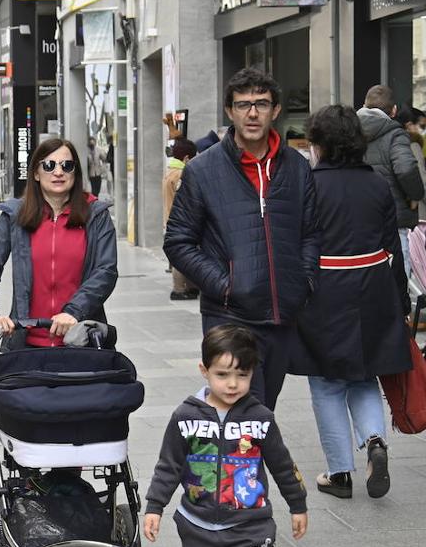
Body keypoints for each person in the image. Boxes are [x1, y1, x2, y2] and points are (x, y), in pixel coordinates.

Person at [164, 68, 318, 412]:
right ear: (229, 111)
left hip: (280, 314)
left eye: (261, 104)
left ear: (275, 110)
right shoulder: (203, 170)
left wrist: (303, 281)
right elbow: (177, 241)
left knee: (261, 413)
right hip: (228, 315)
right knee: (241, 414)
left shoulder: (296, 166)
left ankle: (242, 467)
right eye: (243, 104)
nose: (252, 113)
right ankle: (248, 469)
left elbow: (310, 233)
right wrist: (226, 285)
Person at [291, 105, 411, 500]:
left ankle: (339, 473)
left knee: (327, 384)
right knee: (364, 377)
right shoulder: (376, 183)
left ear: (318, 144)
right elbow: (391, 246)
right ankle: (375, 441)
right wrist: (400, 302)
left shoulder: (307, 185)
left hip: (324, 290)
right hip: (373, 288)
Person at [142, 325, 308, 547]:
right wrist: (154, 507)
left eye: (242, 375)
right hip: (196, 526)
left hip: (249, 525)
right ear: (204, 370)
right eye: (222, 375)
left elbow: (283, 465)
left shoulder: (260, 418)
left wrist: (298, 505)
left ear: (253, 372)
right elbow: (169, 465)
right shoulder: (186, 416)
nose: (232, 384)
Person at [0, 138, 118, 349]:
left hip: (82, 343)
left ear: (75, 172)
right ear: (36, 173)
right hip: (26, 344)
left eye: (66, 166)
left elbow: (106, 271)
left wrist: (73, 311)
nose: (58, 172)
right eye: (49, 165)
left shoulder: (96, 215)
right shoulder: (15, 215)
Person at [357, 85, 424, 282]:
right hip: (393, 219)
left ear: (364, 106)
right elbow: (406, 169)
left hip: (359, 219)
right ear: (393, 110)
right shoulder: (395, 134)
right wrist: (415, 195)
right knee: (397, 280)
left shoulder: (349, 132)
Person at [163, 138, 199, 301]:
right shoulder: (180, 174)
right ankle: (178, 290)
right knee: (182, 258)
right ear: (186, 158)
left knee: (189, 256)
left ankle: (191, 288)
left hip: (171, 220)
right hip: (181, 222)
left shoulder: (169, 171)